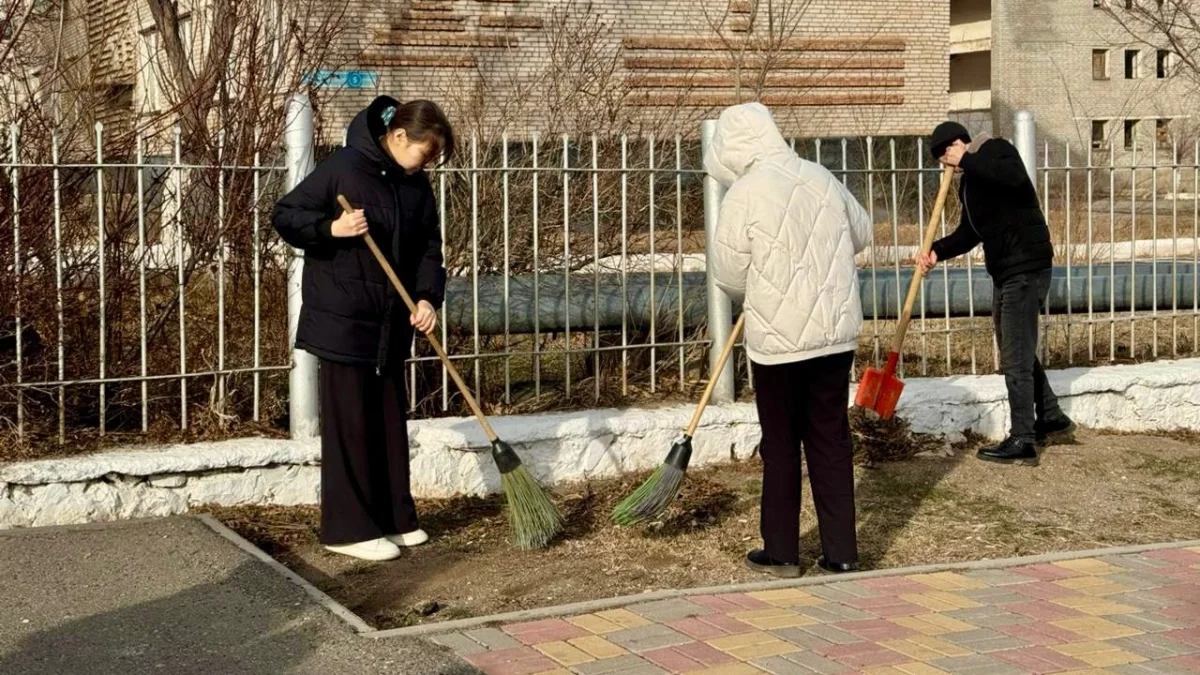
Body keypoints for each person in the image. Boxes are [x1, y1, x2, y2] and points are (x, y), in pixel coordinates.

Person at [273, 96, 454, 561]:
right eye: (425, 152)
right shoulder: (345, 167)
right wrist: (332, 229)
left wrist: (428, 297)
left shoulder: (417, 186)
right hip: (343, 321)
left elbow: (428, 250)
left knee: (390, 424)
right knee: (350, 426)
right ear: (397, 137)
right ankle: (347, 529)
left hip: (391, 322)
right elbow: (287, 215)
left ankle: (395, 517)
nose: (427, 162)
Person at [707, 103, 872, 578]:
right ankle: (842, 553)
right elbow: (860, 233)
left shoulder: (744, 192)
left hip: (776, 342)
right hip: (834, 335)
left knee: (780, 442)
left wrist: (760, 285)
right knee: (830, 438)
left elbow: (728, 273)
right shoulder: (821, 176)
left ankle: (781, 551)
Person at [916, 121, 1075, 466]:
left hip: (1026, 266)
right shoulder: (971, 182)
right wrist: (936, 251)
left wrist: (968, 160)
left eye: (945, 154)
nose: (946, 163)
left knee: (1015, 359)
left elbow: (1013, 178)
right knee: (1015, 348)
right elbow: (971, 231)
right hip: (1007, 271)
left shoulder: (995, 150)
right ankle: (1050, 415)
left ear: (958, 144)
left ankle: (1023, 439)